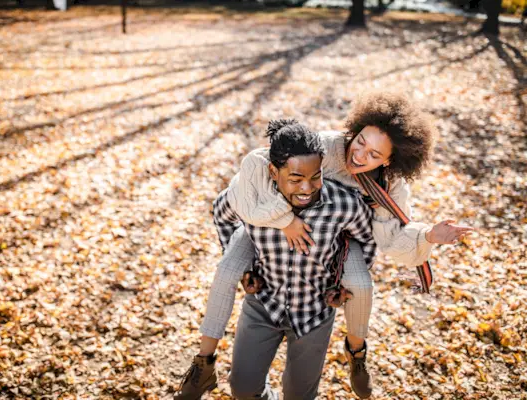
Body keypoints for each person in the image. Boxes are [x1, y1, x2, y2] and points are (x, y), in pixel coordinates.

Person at [175, 92, 473, 399]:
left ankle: (356, 355)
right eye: (360, 142)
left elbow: (389, 238)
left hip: (343, 236)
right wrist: (284, 221)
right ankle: (203, 365)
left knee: (361, 285)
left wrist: (429, 235)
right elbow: (255, 176)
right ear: (354, 130)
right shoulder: (325, 147)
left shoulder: (390, 187)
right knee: (225, 271)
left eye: (373, 155)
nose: (360, 155)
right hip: (268, 223)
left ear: (389, 161)